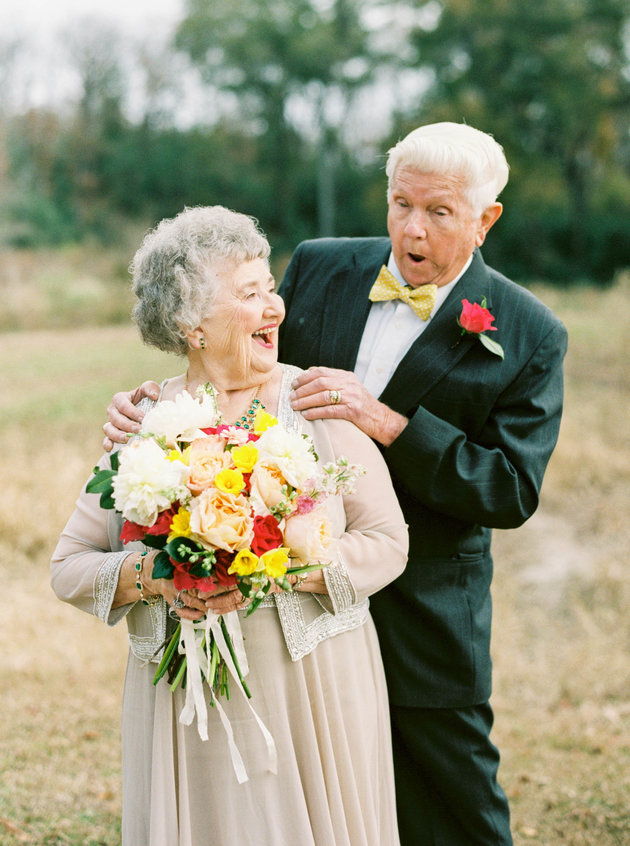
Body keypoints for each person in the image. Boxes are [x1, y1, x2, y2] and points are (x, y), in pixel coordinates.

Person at [103, 122, 569, 846]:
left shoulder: (531, 332)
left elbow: (509, 490)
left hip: (424, 617)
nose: (410, 229)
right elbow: (244, 373)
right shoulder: (320, 267)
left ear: (487, 220)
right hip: (287, 614)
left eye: (438, 213)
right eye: (399, 203)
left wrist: (389, 424)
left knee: (456, 813)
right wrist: (157, 412)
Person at [51, 205, 408, 846]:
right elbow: (68, 565)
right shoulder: (144, 425)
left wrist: (278, 565)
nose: (274, 306)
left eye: (270, 287)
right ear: (193, 326)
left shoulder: (315, 404)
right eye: (250, 294)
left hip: (313, 691)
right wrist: (160, 576)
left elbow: (388, 542)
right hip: (188, 705)